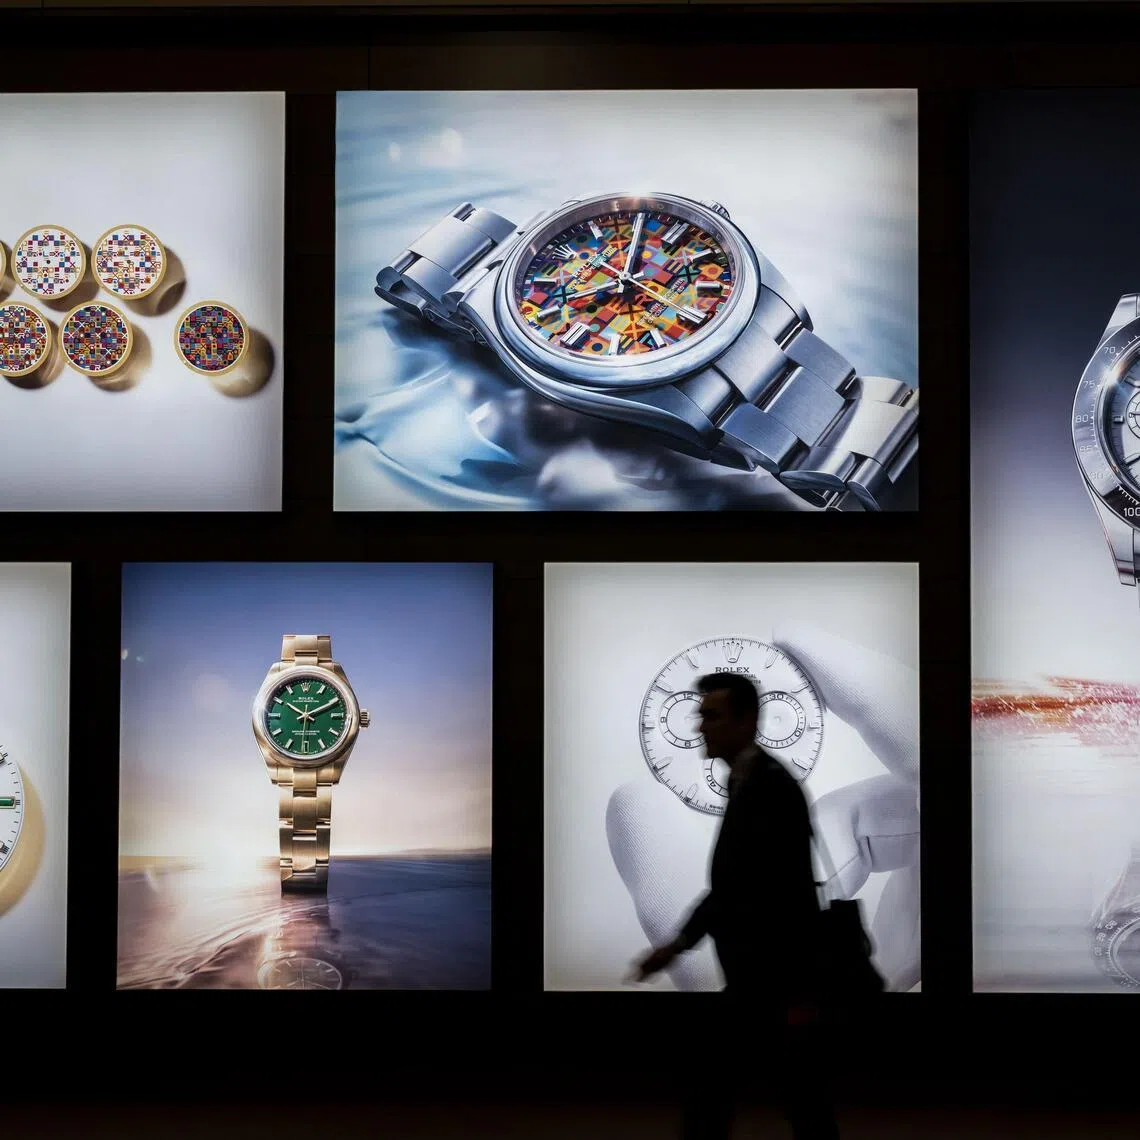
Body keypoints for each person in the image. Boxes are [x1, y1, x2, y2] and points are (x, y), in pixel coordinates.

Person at [630, 671, 840, 1140]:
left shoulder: (769, 787)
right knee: (794, 1097)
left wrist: (679, 943)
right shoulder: (755, 781)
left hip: (770, 982)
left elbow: (771, 893)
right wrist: (679, 944)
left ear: (746, 721)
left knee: (728, 1092)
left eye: (711, 715)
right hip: (763, 983)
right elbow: (738, 885)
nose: (700, 726)